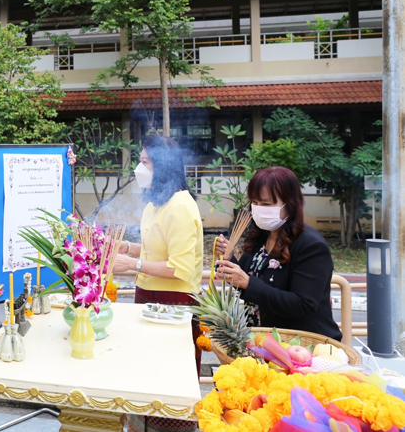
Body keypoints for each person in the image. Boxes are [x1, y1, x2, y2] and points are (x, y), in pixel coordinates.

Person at [113, 135, 203, 432]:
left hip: (174, 306)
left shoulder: (180, 206)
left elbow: (180, 267)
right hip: (149, 299)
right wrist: (128, 248)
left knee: (170, 382)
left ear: (162, 167)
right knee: (146, 374)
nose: (139, 168)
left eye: (144, 162)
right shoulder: (155, 202)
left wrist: (133, 265)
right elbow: (156, 250)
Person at [215, 167, 341, 341]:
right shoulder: (261, 237)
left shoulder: (311, 246)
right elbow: (246, 281)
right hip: (261, 342)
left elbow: (303, 305)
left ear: (290, 204)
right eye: (255, 203)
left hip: (300, 345)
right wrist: (229, 261)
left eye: (266, 204)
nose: (258, 209)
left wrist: (247, 283)